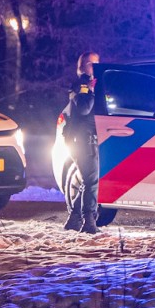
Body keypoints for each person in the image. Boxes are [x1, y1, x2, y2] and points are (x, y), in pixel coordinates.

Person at [63, 51, 103, 233]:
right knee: (91, 181)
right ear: (85, 66)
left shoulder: (84, 84)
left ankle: (74, 219)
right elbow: (85, 109)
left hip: (83, 139)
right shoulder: (81, 85)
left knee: (88, 180)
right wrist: (91, 89)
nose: (97, 67)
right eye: (94, 64)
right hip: (83, 141)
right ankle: (89, 222)